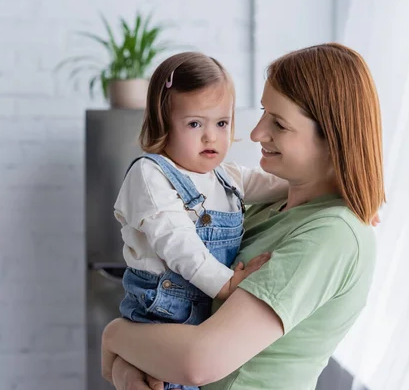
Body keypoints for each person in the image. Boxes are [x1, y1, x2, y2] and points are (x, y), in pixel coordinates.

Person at [102, 43, 385, 390]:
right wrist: (127, 369)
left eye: (278, 124)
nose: (254, 134)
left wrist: (115, 335)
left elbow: (199, 362)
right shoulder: (262, 206)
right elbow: (163, 355)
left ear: (333, 137)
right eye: (264, 112)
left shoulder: (334, 234)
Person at [114, 52, 288, 390]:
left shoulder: (227, 176)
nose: (211, 137)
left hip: (203, 316)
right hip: (161, 314)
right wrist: (227, 285)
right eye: (195, 124)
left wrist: (337, 187)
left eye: (221, 123)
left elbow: (280, 185)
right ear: (164, 123)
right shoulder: (150, 174)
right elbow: (178, 244)